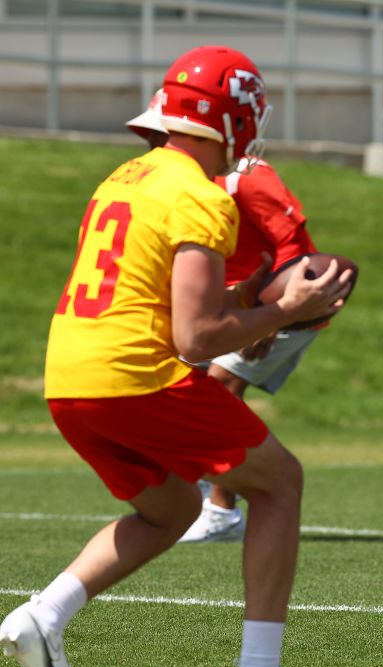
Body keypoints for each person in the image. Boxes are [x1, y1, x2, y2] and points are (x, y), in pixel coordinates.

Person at [0, 46, 351, 667]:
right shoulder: (199, 194)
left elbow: (166, 303)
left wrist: (251, 309)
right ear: (232, 119)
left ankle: (43, 615)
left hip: (70, 376)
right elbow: (195, 341)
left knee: (173, 508)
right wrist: (287, 309)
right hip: (133, 374)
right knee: (280, 482)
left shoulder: (125, 176)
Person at [127, 90, 351, 544]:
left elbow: (293, 247)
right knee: (186, 390)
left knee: (220, 387)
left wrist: (276, 317)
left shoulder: (247, 178)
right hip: (235, 304)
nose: (158, 145)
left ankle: (222, 511)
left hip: (282, 300)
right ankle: (215, 488)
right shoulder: (181, 183)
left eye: (164, 134)